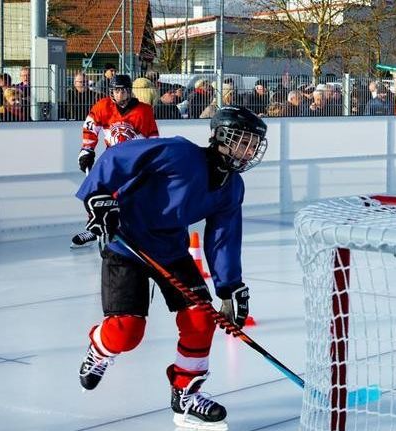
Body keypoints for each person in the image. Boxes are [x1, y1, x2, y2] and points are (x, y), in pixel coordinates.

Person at [75, 104, 266, 430]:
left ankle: (186, 395)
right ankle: (99, 347)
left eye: (253, 145)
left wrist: (229, 285)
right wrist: (98, 197)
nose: (249, 151)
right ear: (222, 137)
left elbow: (223, 237)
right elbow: (117, 157)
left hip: (171, 250)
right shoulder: (179, 153)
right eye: (243, 141)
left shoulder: (232, 187)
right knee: (126, 332)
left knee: (200, 318)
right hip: (128, 243)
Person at [73, 75, 159, 248]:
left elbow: (152, 137)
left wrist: (152, 158)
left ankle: (134, 229)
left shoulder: (144, 110)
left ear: (130, 91)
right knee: (95, 190)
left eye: (123, 91)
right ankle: (95, 227)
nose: (120, 94)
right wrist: (87, 149)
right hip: (111, 159)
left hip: (135, 161)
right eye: (116, 91)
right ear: (111, 92)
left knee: (134, 195)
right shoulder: (103, 106)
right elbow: (90, 127)